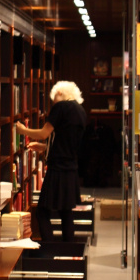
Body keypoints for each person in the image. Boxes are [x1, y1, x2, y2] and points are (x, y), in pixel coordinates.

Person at [16, 80, 87, 244]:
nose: (52, 101)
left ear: (60, 93)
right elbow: (64, 141)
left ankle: (50, 248)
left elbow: (43, 133)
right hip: (71, 168)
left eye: (53, 97)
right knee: (66, 212)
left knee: (42, 212)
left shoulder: (61, 107)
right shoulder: (80, 111)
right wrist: (44, 148)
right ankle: (68, 251)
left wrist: (22, 130)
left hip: (57, 169)